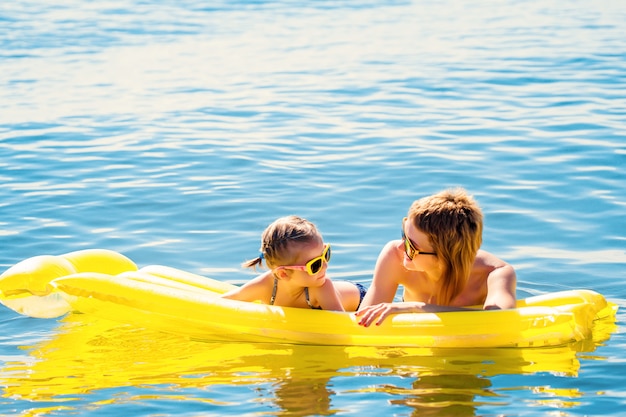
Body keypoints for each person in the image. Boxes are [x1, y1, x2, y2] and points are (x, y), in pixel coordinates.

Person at [356, 187, 516, 326]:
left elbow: (498, 320)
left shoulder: (495, 274)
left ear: (443, 257)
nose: (400, 246)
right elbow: (362, 321)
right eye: (403, 234)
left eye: (411, 246)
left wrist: (416, 308)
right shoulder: (394, 256)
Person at [221, 215, 367, 311]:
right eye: (315, 265)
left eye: (325, 254)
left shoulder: (322, 287)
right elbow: (225, 303)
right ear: (283, 273)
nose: (325, 265)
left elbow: (342, 327)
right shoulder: (266, 285)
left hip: (360, 301)